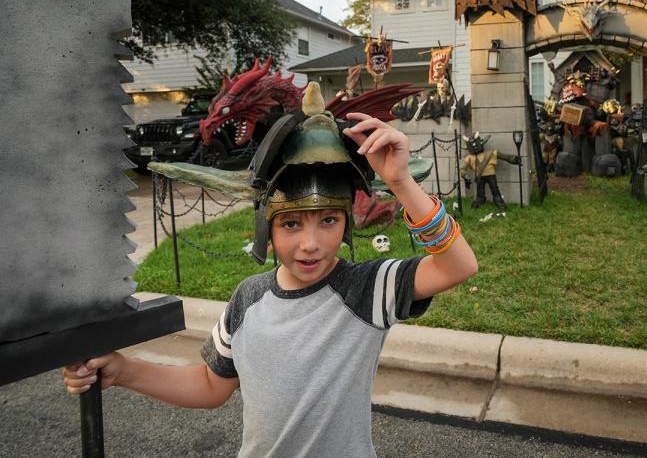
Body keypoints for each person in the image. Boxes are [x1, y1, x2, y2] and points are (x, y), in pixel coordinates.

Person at [63, 88, 478, 457]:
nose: (310, 243)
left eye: (328, 221)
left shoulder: (368, 289)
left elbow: (458, 265)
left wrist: (403, 183)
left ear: (346, 224)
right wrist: (125, 370)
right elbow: (211, 385)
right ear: (267, 227)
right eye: (291, 223)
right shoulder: (248, 298)